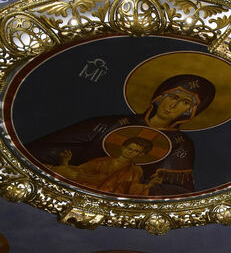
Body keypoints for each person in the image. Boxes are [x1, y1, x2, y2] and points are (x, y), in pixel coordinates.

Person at [27, 74, 215, 196]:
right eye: (172, 97)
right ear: (160, 97)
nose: (173, 106)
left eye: (184, 103)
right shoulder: (111, 123)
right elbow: (39, 152)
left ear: (191, 111)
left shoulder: (180, 144)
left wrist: (131, 188)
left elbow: (177, 191)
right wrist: (63, 170)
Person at [51, 137, 162, 196]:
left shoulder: (135, 170)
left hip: (108, 195)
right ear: (123, 147)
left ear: (140, 154)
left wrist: (148, 186)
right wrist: (65, 163)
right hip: (86, 187)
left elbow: (131, 188)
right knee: (59, 171)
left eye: (135, 151)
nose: (130, 152)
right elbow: (81, 170)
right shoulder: (104, 160)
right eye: (129, 148)